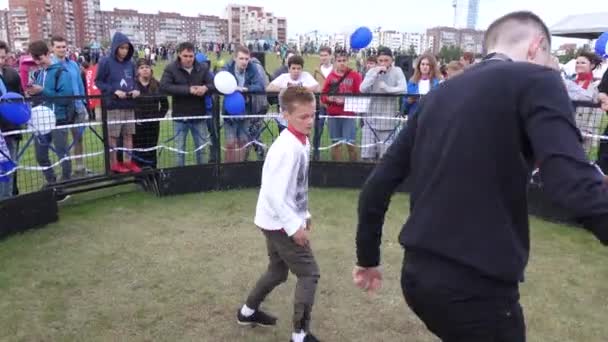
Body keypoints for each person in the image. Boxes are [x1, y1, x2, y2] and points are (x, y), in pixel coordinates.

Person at [353, 11, 608, 341]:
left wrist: (368, 258)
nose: (554, 69)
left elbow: (376, 185)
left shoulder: (437, 96)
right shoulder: (539, 80)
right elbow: (572, 185)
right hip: (476, 290)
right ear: (537, 47)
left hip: (417, 279)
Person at [237, 86, 320, 342]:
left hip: (273, 220)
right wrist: (293, 227)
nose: (310, 121)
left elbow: (296, 185)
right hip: (277, 223)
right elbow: (273, 193)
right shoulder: (286, 148)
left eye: (312, 115)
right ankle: (299, 336)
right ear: (285, 116)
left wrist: (303, 212)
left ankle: (247, 312)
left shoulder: (301, 142)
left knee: (277, 271)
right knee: (309, 273)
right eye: (303, 117)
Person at [26, 40, 74, 187]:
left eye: (39, 58)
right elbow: (41, 96)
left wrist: (42, 91)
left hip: (58, 119)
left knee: (62, 154)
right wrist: (32, 93)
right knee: (40, 156)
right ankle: (52, 182)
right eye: (34, 59)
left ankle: (65, 184)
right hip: (40, 121)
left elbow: (65, 98)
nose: (37, 62)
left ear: (48, 54)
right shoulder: (39, 73)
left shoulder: (61, 72)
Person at [160, 42, 215, 167]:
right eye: (185, 56)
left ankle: (203, 175)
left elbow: (214, 85)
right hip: (180, 116)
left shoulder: (203, 68)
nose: (189, 59)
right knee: (179, 150)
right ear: (179, 54)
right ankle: (181, 177)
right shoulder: (170, 68)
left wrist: (205, 88)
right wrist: (188, 90)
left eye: (191, 56)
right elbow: (164, 87)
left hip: (199, 115)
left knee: (202, 150)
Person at [95, 32, 141, 174]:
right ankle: (114, 163)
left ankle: (128, 161)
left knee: (129, 135)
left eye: (127, 48)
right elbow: (98, 82)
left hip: (129, 105)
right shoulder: (105, 62)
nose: (124, 51)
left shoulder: (131, 63)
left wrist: (136, 90)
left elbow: (134, 81)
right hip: (113, 106)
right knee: (113, 137)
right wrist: (113, 91)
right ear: (115, 47)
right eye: (121, 48)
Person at [50, 36, 90, 177]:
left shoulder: (73, 64)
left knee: (78, 137)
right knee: (62, 142)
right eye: (58, 47)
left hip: (78, 107)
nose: (61, 49)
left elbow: (80, 85)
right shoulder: (50, 66)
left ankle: (80, 167)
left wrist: (84, 104)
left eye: (63, 46)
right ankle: (66, 171)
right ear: (52, 48)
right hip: (60, 110)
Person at [359, 47, 407, 161]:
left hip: (388, 122)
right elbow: (362, 88)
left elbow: (404, 89)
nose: (383, 63)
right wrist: (374, 74)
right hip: (370, 121)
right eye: (381, 60)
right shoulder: (372, 71)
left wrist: (388, 89)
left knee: (385, 159)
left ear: (392, 60)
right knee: (367, 157)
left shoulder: (397, 71)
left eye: (386, 60)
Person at [320, 50, 362, 161]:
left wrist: (345, 101)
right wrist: (330, 99)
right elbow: (323, 95)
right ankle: (337, 168)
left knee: (350, 144)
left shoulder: (355, 76)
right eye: (339, 61)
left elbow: (359, 95)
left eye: (344, 60)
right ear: (335, 62)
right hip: (333, 115)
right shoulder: (331, 76)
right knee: (335, 144)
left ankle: (354, 167)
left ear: (348, 61)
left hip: (348, 115)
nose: (342, 63)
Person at [133, 58, 169, 169]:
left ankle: (152, 170)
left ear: (151, 69)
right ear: (137, 70)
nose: (145, 70)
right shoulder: (132, 85)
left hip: (153, 124)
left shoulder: (157, 85)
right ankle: (138, 173)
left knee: (152, 148)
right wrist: (135, 117)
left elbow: (165, 105)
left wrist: (158, 117)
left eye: (147, 67)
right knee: (138, 148)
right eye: (142, 68)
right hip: (137, 124)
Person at [0, 40, 23, 200]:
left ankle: (8, 201)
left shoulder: (12, 74)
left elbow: (19, 99)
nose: (1, 61)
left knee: (10, 167)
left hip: (11, 129)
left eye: (2, 57)